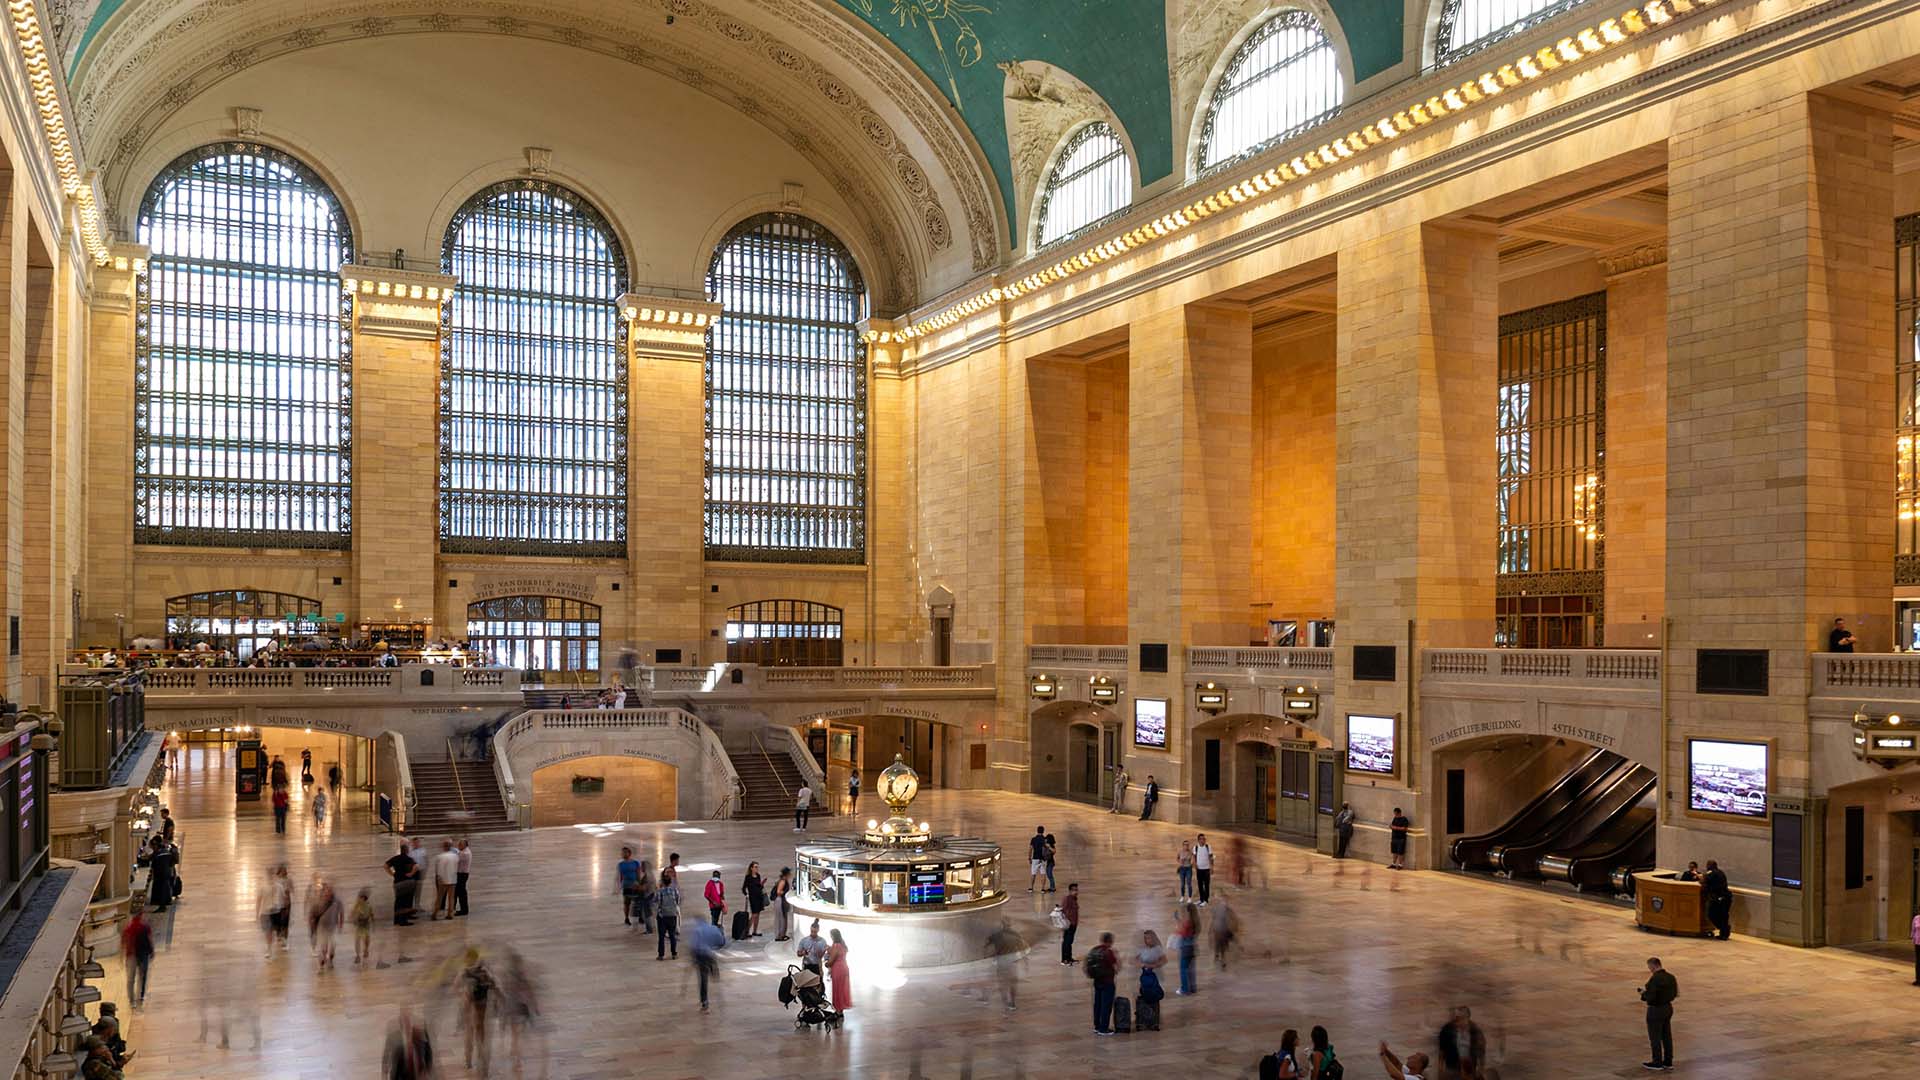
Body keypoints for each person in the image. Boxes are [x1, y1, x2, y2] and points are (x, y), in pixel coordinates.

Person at [458, 948, 495, 1074]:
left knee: (470, 1031)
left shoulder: (465, 972)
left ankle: (468, 1059)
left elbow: (456, 985)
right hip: (479, 1008)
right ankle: (480, 1056)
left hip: (469, 1007)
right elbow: (493, 984)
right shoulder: (484, 972)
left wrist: (461, 994)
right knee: (479, 1031)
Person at [1639, 956, 1678, 1071]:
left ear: (1653, 965)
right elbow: (1675, 993)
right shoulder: (1671, 977)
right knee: (1667, 1036)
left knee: (1655, 1037)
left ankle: (1657, 1062)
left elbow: (1651, 997)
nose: (1649, 969)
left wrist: (1643, 994)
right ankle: (1668, 1061)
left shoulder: (1655, 979)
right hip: (1668, 1008)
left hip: (1656, 1010)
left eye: (1649, 967)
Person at [1085, 931, 1121, 1035]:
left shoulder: (1094, 950)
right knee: (1106, 1005)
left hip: (1097, 981)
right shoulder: (1108, 952)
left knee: (1098, 1004)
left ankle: (1097, 1026)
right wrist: (1117, 956)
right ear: (1110, 941)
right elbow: (1117, 968)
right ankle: (1103, 1028)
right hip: (1108, 982)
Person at [382, 1010, 433, 1080]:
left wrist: (427, 1070)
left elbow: (428, 1051)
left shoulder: (420, 1029)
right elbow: (387, 1054)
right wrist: (384, 1073)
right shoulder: (393, 1035)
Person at [1437, 1006, 1486, 1079]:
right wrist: (1440, 1069)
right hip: (1452, 1067)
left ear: (1467, 1017)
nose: (1457, 1020)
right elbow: (1442, 1051)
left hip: (1470, 1067)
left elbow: (1481, 1051)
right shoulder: (1447, 1030)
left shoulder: (1475, 1030)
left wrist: (1481, 1068)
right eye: (1456, 1018)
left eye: (1461, 1018)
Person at [987, 918, 1025, 1010]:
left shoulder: (997, 935)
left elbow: (988, 946)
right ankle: (1012, 1002)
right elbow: (1021, 948)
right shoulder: (1015, 934)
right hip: (1012, 962)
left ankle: (1005, 1002)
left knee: (1002, 983)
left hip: (1001, 962)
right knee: (1012, 983)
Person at [689, 918, 727, 1011]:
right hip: (709, 954)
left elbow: (694, 946)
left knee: (703, 979)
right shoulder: (713, 928)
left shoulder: (697, 930)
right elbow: (721, 942)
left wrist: (693, 958)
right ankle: (715, 975)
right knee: (712, 966)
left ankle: (704, 1001)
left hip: (700, 955)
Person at [121, 909, 154, 1008]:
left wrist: (122, 956)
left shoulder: (128, 928)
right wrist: (152, 951)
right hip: (143, 954)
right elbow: (150, 938)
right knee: (142, 976)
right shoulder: (145, 926)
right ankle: (141, 996)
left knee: (131, 979)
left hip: (131, 955)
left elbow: (123, 942)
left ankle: (132, 1001)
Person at [1135, 928, 1166, 1027]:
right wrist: (1141, 964)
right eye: (1146, 938)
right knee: (1144, 994)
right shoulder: (1141, 948)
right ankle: (1145, 1015)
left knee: (1154, 995)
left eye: (1150, 938)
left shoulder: (1157, 949)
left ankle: (1155, 1017)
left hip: (1155, 975)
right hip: (1144, 976)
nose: (1149, 940)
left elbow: (1164, 960)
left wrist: (1154, 965)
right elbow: (1135, 960)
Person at [260, 865, 293, 953]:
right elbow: (260, 898)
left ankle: (283, 941)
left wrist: (286, 907)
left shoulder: (283, 883)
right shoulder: (267, 884)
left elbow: (287, 895)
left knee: (282, 927)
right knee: (271, 930)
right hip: (271, 910)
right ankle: (271, 946)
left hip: (280, 908)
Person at [311, 879, 343, 969]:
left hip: (333, 928)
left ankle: (330, 960)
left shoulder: (337, 901)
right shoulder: (318, 902)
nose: (328, 892)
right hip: (322, 929)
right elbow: (313, 915)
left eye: (330, 890)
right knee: (324, 948)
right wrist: (313, 928)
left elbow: (341, 913)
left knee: (332, 949)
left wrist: (340, 925)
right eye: (327, 890)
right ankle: (321, 964)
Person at [385, 843, 418, 926]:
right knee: (405, 901)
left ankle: (396, 920)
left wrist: (392, 874)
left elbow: (385, 865)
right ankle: (403, 920)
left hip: (397, 882)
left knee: (398, 901)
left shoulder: (395, 858)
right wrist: (411, 873)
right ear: (406, 850)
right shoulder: (409, 859)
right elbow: (416, 866)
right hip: (406, 882)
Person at [146, 837, 178, 913]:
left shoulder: (158, 853)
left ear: (155, 845)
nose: (153, 848)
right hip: (167, 872)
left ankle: (162, 906)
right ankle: (165, 902)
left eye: (153, 847)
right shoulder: (165, 850)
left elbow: (151, 860)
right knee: (165, 888)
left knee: (162, 889)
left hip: (161, 873)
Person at [1702, 859, 1731, 940]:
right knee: (1723, 916)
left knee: (1712, 914)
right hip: (1726, 897)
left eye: (1707, 865)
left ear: (1709, 866)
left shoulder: (1711, 873)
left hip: (1718, 899)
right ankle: (1724, 934)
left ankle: (1724, 931)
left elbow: (1704, 881)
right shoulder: (1720, 872)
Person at [826, 927, 853, 1014]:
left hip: (838, 969)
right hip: (844, 968)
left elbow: (831, 961)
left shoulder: (836, 946)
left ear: (833, 937)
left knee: (837, 989)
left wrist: (826, 963)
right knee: (842, 989)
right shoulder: (843, 946)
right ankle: (841, 1010)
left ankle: (838, 1010)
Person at [431, 840, 460, 920]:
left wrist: (439, 878)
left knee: (440, 897)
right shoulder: (455, 856)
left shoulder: (440, 857)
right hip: (453, 879)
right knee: (451, 897)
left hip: (443, 880)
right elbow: (457, 866)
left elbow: (439, 869)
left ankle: (435, 913)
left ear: (444, 847)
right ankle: (450, 914)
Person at [1174, 902, 1199, 995]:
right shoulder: (1194, 921)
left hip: (1185, 949)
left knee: (1183, 969)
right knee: (1191, 969)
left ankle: (1185, 989)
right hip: (1192, 948)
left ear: (1188, 912)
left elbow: (1182, 932)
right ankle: (1193, 987)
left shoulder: (1187, 923)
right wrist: (1178, 919)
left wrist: (1177, 927)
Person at [656, 870, 681, 960]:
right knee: (672, 935)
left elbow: (657, 902)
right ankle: (674, 953)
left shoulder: (659, 892)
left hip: (662, 916)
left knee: (661, 936)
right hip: (672, 915)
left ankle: (661, 955)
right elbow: (678, 901)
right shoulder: (675, 890)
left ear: (662, 882)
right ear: (670, 882)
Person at [1209, 891, 1238, 969]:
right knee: (1222, 946)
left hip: (1217, 929)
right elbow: (1232, 920)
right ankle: (1222, 959)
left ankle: (1217, 956)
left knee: (1218, 944)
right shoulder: (1228, 909)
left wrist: (1210, 930)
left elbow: (1212, 920)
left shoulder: (1215, 908)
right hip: (1223, 930)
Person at [617, 847, 642, 926]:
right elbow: (620, 876)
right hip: (626, 885)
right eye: (622, 853)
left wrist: (639, 883)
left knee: (638, 902)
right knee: (626, 902)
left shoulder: (635, 863)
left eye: (625, 852)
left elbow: (638, 874)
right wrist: (620, 885)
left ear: (629, 853)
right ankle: (626, 918)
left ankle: (640, 917)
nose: (623, 854)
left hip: (635, 885)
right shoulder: (620, 864)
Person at [351, 888, 375, 965]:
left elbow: (371, 914)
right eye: (359, 897)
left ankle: (366, 950)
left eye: (361, 898)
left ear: (364, 898)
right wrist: (354, 919)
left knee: (366, 939)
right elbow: (352, 914)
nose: (359, 899)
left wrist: (373, 922)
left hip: (366, 925)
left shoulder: (369, 905)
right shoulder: (357, 905)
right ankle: (357, 955)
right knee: (357, 940)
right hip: (359, 925)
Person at [743, 861, 767, 937]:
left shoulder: (758, 876)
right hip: (753, 898)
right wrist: (746, 894)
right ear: (751, 868)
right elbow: (744, 888)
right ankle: (746, 931)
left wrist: (762, 884)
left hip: (759, 897)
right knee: (754, 914)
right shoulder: (748, 877)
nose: (757, 868)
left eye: (757, 867)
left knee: (758, 914)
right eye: (755, 867)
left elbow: (759, 887)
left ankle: (754, 931)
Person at [1060, 882, 1080, 965]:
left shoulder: (1074, 899)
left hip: (1073, 923)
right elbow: (1063, 910)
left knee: (1070, 941)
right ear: (1070, 891)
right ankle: (1065, 959)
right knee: (1067, 942)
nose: (1076, 892)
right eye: (1074, 890)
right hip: (1068, 924)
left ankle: (1069, 958)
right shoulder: (1067, 899)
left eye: (1077, 890)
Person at [772, 866, 794, 941]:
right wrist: (786, 893)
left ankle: (782, 934)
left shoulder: (783, 880)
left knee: (783, 918)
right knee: (781, 918)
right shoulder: (783, 881)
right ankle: (779, 935)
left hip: (782, 900)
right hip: (780, 900)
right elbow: (779, 892)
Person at [1195, 833, 1215, 905]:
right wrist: (1195, 865)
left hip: (1206, 869)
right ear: (1198, 840)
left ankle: (1206, 900)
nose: (1203, 840)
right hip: (1199, 869)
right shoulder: (1196, 847)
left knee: (1206, 885)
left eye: (1204, 839)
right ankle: (1201, 899)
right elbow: (1194, 857)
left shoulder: (1208, 847)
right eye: (1201, 839)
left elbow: (1211, 857)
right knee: (1200, 884)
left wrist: (1212, 867)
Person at [454, 838, 472, 917]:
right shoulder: (464, 851)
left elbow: (456, 858)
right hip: (461, 874)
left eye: (460, 844)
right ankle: (461, 909)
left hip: (462, 875)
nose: (458, 846)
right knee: (459, 892)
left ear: (465, 845)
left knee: (461, 893)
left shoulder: (465, 853)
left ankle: (464, 910)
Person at [1028, 826, 1049, 892]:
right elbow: (1047, 849)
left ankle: (1031, 888)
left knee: (1033, 873)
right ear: (1043, 831)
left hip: (1035, 858)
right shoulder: (1045, 839)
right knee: (1043, 874)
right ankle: (1042, 889)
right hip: (1042, 859)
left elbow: (1030, 849)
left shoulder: (1033, 839)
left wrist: (1029, 858)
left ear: (1037, 831)